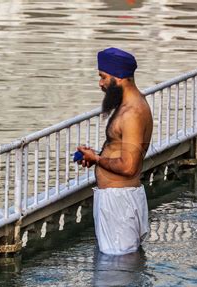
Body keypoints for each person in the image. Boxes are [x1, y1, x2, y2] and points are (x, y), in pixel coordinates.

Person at [76, 47, 153, 255]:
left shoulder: (132, 113)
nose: (100, 83)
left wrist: (98, 159)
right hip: (117, 200)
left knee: (117, 272)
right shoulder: (128, 105)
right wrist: (95, 157)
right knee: (116, 269)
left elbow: (129, 166)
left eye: (103, 77)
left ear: (118, 77)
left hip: (120, 203)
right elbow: (120, 150)